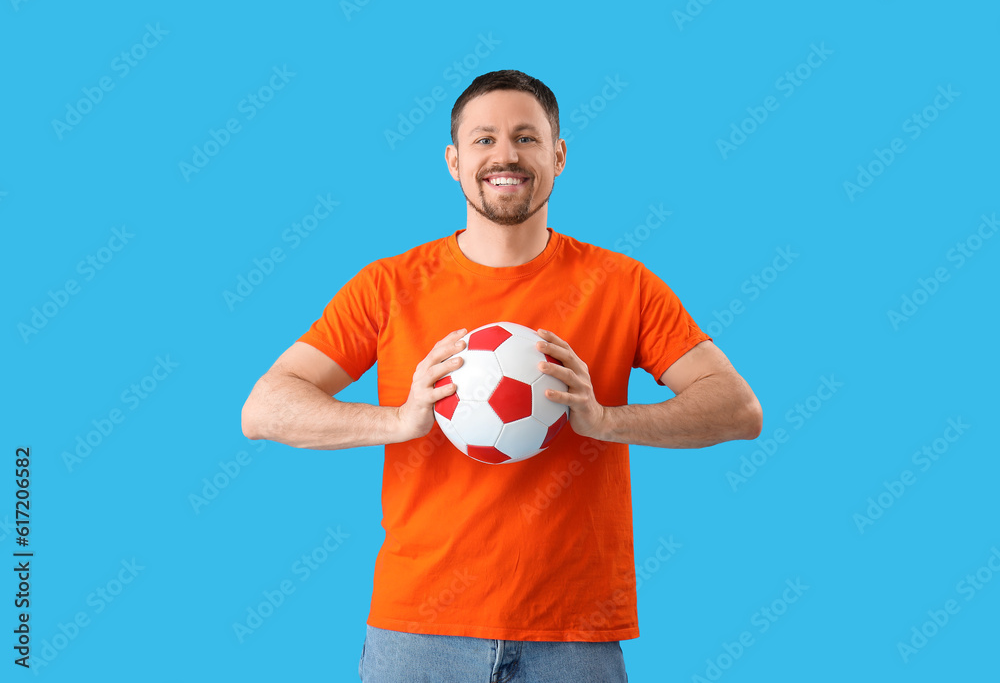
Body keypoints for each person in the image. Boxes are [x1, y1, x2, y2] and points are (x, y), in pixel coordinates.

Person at [241, 69, 763, 683]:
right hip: (419, 631)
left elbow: (737, 408)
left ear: (559, 156)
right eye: (484, 139)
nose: (505, 155)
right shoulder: (389, 286)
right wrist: (400, 420)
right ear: (453, 161)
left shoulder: (622, 285)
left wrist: (604, 420)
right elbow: (265, 408)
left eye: (527, 137)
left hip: (573, 632)